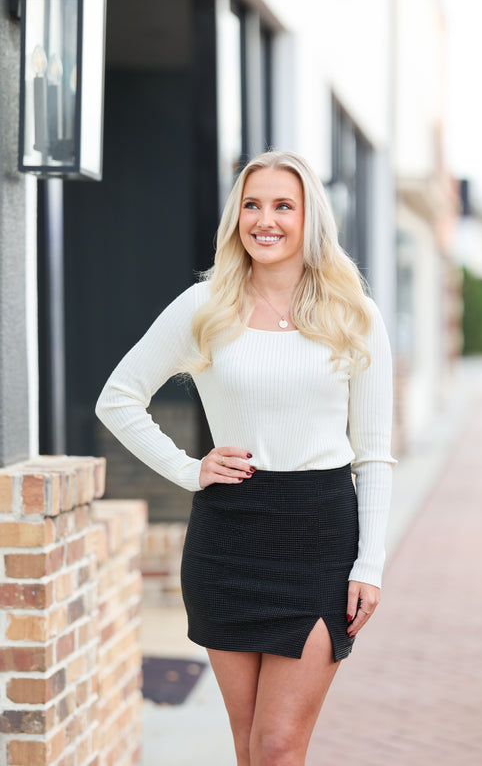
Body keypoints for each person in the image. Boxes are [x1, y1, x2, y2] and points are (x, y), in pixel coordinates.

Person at [95, 150, 396, 766]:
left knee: (280, 746)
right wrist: (188, 469)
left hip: (319, 531)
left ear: (310, 218)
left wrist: (370, 563)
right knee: (249, 748)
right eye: (252, 206)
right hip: (228, 532)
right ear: (236, 217)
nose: (266, 220)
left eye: (284, 205)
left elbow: (372, 455)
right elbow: (118, 399)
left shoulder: (353, 315)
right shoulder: (206, 305)